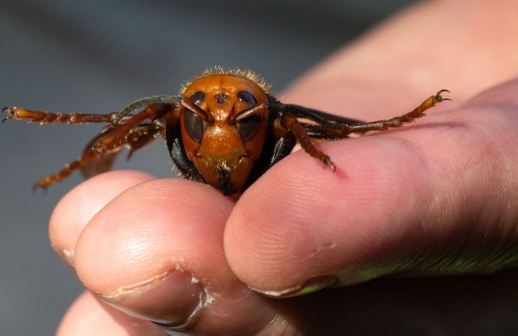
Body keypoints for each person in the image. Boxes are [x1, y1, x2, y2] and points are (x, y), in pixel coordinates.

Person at [50, 1, 518, 334]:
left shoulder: (281, 120)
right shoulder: (169, 116)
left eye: (241, 115)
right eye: (202, 115)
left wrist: (393, 125)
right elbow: (129, 121)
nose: (221, 128)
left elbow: (336, 125)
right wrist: (76, 132)